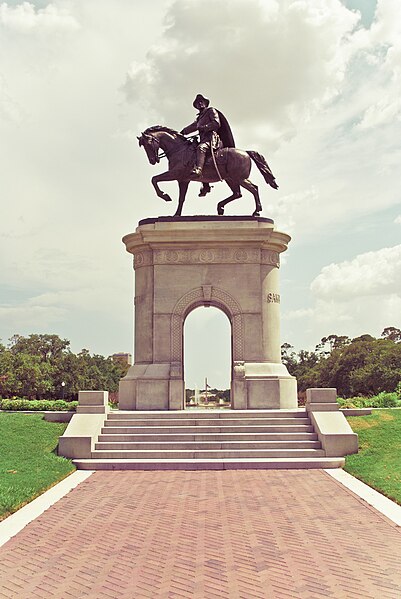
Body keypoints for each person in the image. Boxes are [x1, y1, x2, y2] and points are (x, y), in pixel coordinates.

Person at [181, 94, 235, 196]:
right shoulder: (199, 118)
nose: (200, 103)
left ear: (205, 103)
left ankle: (198, 171)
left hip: (211, 139)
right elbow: (193, 126)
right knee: (192, 153)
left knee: (201, 148)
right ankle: (205, 184)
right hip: (204, 139)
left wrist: (204, 127)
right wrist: (182, 132)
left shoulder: (211, 111)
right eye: (198, 103)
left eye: (201, 101)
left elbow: (216, 123)